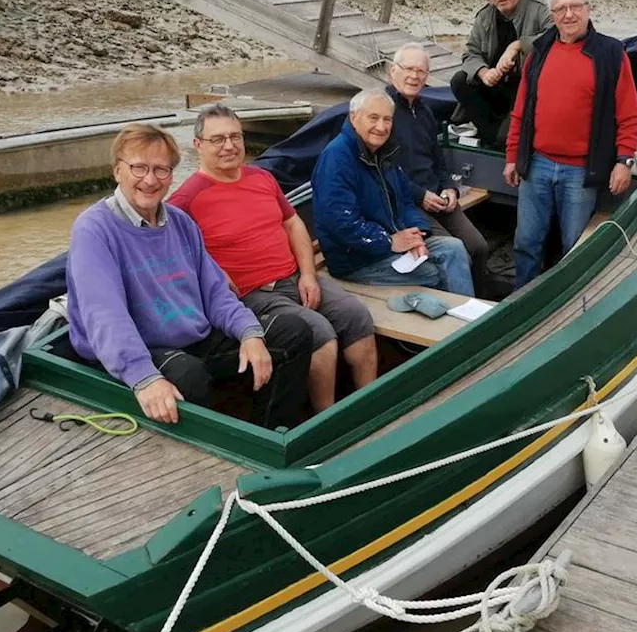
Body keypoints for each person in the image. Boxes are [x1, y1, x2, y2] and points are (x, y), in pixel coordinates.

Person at [65, 123, 313, 429]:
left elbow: (215, 292)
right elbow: (104, 315)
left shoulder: (180, 223)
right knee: (188, 375)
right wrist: (142, 376)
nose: (150, 180)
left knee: (292, 331)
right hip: (142, 347)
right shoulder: (94, 229)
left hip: (192, 334)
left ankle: (270, 435)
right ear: (117, 171)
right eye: (139, 168)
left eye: (161, 170)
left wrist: (248, 332)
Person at [169, 104, 378, 413]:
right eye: (218, 139)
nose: (229, 145)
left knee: (357, 315)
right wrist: (213, 271)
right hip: (253, 293)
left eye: (235, 136)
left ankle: (369, 406)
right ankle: (327, 419)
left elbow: (292, 223)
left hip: (294, 277)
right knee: (318, 331)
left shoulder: (261, 178)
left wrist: (307, 274)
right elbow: (169, 251)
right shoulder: (185, 199)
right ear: (198, 145)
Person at [504, 0, 637, 289]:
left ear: (588, 9)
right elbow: (521, 111)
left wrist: (624, 160)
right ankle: (520, 302)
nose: (569, 14)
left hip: (580, 170)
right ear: (552, 15)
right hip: (536, 164)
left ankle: (573, 307)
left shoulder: (611, 53)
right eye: (561, 8)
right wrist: (513, 156)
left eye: (575, 6)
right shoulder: (538, 52)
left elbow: (629, 114)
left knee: (575, 248)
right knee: (526, 243)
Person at [312, 90, 475, 296]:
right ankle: (459, 323)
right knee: (435, 272)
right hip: (357, 261)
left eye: (387, 119)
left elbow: (405, 201)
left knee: (454, 249)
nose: (381, 127)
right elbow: (340, 223)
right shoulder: (337, 158)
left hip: (388, 246)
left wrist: (417, 237)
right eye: (373, 118)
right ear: (354, 117)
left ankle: (470, 317)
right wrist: (390, 242)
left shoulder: (383, 153)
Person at [385, 43, 490, 292]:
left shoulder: (424, 112)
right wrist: (421, 196)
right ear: (392, 72)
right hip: (406, 204)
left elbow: (438, 160)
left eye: (421, 71)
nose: (414, 76)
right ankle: (455, 309)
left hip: (438, 199)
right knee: (456, 251)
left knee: (479, 247)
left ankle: (480, 302)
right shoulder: (383, 113)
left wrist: (449, 188)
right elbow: (384, 170)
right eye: (408, 69)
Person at [450, 0, 550, 148]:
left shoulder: (540, 9)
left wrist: (518, 46)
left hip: (527, 88)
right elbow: (471, 53)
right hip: (496, 87)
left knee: (505, 139)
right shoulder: (485, 16)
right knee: (459, 81)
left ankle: (499, 138)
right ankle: (495, 136)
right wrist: (484, 73)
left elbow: (556, 36)